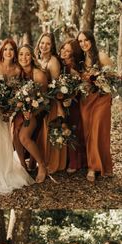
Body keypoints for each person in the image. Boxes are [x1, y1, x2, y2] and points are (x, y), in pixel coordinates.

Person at [0, 38, 35, 194]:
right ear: (2, 51)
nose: (8, 52)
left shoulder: (17, 70)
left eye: (11, 49)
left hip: (6, 111)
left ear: (15, 52)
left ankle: (5, 170)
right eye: (5, 49)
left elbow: (16, 93)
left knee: (4, 139)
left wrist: (9, 108)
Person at [77, 31, 113, 182]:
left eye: (86, 40)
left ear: (91, 40)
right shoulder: (80, 60)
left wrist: (100, 82)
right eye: (80, 41)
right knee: (88, 131)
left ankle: (95, 167)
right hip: (86, 100)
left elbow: (113, 78)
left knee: (99, 129)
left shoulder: (102, 56)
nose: (83, 43)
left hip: (102, 98)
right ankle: (95, 163)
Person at [13, 44, 48, 183]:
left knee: (23, 137)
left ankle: (42, 165)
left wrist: (31, 112)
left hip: (37, 111)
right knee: (15, 131)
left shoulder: (38, 74)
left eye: (27, 54)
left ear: (32, 57)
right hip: (21, 110)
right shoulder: (17, 72)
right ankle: (23, 166)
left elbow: (45, 100)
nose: (24, 57)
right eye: (21, 54)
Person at [35, 33, 66, 174]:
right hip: (38, 101)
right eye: (42, 43)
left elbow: (56, 87)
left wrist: (59, 107)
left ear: (52, 46)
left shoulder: (53, 61)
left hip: (50, 102)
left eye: (48, 43)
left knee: (49, 131)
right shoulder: (38, 59)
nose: (44, 46)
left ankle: (52, 162)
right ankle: (39, 160)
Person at [59, 39, 86, 173]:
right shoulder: (62, 65)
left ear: (73, 53)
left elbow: (78, 88)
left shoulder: (73, 68)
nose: (64, 52)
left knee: (73, 130)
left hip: (73, 104)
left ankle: (76, 163)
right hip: (64, 102)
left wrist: (71, 98)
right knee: (66, 128)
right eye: (63, 48)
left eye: (68, 50)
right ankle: (70, 160)